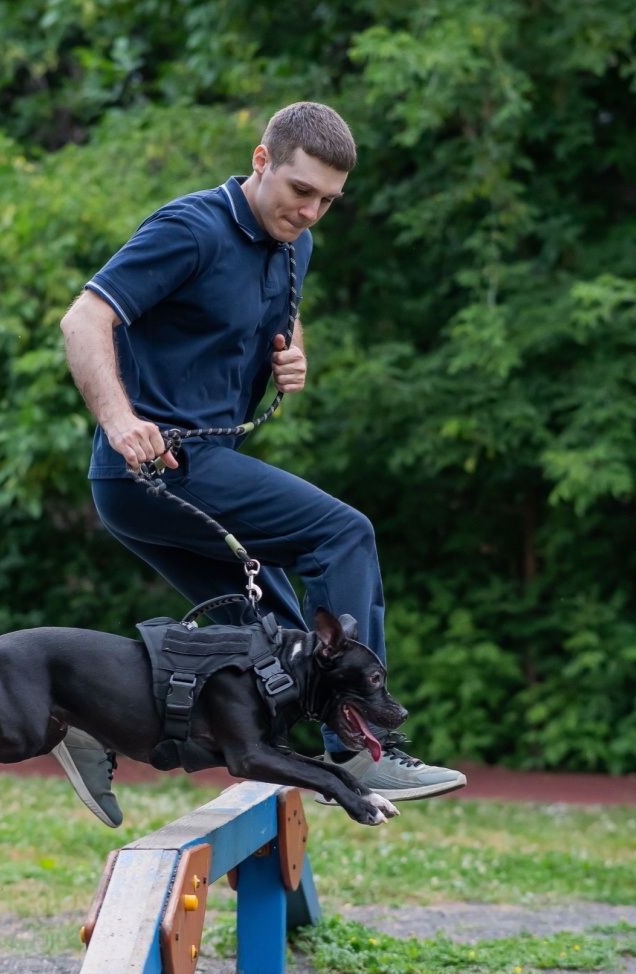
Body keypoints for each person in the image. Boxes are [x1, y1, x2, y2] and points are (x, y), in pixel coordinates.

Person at [54, 101, 465, 827]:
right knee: (343, 535)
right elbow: (85, 318)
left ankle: (90, 720)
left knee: (270, 644)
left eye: (328, 202)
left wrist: (292, 348)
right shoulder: (189, 229)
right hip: (161, 465)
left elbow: (274, 306)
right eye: (300, 191)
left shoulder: (292, 243)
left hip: (184, 473)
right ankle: (362, 741)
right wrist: (120, 419)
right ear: (261, 160)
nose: (310, 212)